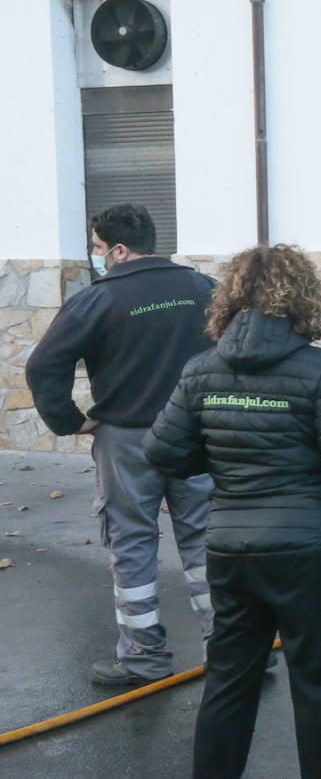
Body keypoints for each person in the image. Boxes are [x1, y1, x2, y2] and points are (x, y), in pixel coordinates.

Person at [143, 243, 321, 779]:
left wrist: (220, 461)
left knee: (229, 680)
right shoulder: (319, 370)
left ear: (229, 298)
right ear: (302, 298)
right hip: (309, 552)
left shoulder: (201, 370)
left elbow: (162, 451)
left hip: (232, 549)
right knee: (318, 684)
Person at [25, 203, 217, 685]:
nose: (95, 256)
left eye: (97, 247)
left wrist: (71, 422)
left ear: (119, 250)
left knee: (131, 543)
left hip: (128, 442)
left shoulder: (98, 299)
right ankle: (232, 652)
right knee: (209, 542)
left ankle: (143, 658)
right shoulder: (203, 289)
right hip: (196, 436)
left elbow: (43, 365)